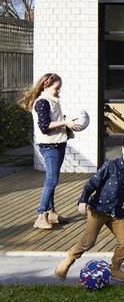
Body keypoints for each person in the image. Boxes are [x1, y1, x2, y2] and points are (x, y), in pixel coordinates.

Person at [55, 131, 124, 283]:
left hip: (115, 213)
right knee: (89, 241)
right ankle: (68, 259)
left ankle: (115, 268)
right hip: (98, 211)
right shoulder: (110, 166)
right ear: (123, 150)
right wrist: (83, 200)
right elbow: (91, 184)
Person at [19, 72, 83, 230]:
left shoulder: (52, 100)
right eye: (57, 88)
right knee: (52, 180)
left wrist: (68, 121)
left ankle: (51, 213)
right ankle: (41, 215)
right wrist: (65, 122)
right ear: (46, 86)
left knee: (52, 179)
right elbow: (44, 126)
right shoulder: (42, 102)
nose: (59, 91)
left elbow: (53, 120)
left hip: (58, 143)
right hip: (49, 146)